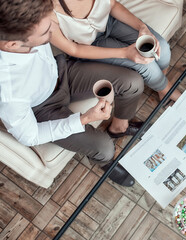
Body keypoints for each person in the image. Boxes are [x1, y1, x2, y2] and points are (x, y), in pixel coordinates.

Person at [0, 0, 145, 187]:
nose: (52, 32)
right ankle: (105, 162)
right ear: (12, 45)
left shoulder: (21, 19)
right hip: (42, 108)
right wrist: (84, 119)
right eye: (45, 32)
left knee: (132, 82)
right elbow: (30, 136)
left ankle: (119, 128)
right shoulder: (8, 92)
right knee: (104, 149)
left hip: (62, 71)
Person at [49, 0, 181, 107]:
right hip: (88, 46)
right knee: (145, 66)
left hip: (110, 20)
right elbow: (74, 49)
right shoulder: (45, 12)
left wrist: (142, 27)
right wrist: (124, 53)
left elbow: (112, 4)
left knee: (161, 47)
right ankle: (166, 89)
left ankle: (161, 86)